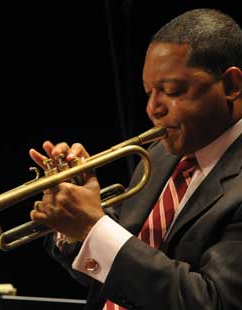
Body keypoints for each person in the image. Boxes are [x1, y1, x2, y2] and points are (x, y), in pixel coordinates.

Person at [29, 8, 242, 310]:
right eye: (148, 92)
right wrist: (75, 221)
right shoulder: (161, 155)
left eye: (171, 91)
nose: (153, 109)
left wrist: (94, 227)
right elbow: (123, 279)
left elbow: (212, 301)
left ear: (232, 86)